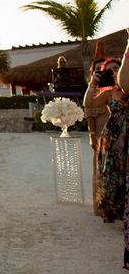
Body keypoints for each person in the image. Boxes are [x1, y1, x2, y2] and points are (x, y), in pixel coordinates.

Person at [83, 56, 127, 267]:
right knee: (113, 177)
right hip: (113, 138)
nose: (113, 71)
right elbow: (89, 105)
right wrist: (93, 83)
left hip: (125, 139)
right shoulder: (109, 93)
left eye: (116, 68)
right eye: (109, 70)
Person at [84, 42, 108, 216]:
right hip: (99, 132)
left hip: (115, 131)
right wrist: (92, 134)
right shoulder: (92, 90)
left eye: (103, 69)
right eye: (97, 69)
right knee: (99, 168)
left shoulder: (115, 88)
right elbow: (89, 112)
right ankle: (99, 206)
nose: (101, 71)